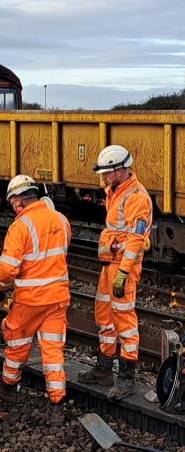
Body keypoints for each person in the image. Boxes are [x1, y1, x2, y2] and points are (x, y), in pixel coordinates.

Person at [0, 175, 71, 426]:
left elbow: (7, 269)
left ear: (17, 201)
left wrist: (0, 290)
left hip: (30, 299)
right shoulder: (61, 219)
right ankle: (57, 403)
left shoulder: (20, 226)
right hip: (58, 297)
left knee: (17, 342)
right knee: (53, 350)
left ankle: (8, 385)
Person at [78, 145, 152, 399]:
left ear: (121, 171)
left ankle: (127, 378)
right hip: (110, 265)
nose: (104, 178)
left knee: (125, 321)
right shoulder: (115, 191)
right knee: (104, 315)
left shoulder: (136, 197)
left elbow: (135, 240)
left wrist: (123, 273)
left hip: (123, 268)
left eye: (108, 173)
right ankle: (104, 368)